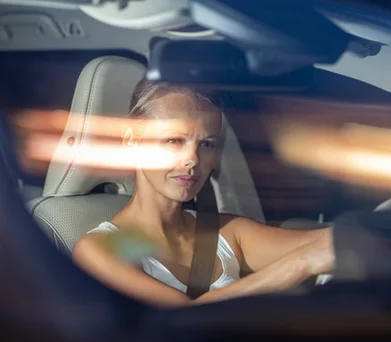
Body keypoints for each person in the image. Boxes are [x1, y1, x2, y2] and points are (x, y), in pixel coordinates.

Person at [72, 78, 335, 309]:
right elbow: (186, 318)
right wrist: (300, 264)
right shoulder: (99, 249)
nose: (192, 159)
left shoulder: (229, 233)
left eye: (206, 144)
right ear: (131, 140)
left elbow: (324, 244)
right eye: (174, 140)